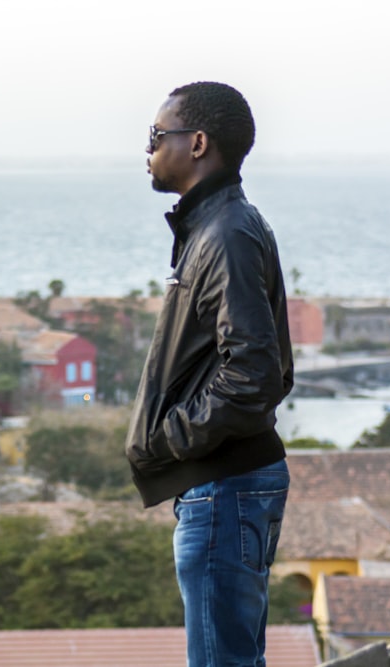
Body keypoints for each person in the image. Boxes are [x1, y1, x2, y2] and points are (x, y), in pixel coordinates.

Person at [124, 81, 294, 667]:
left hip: (225, 486)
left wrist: (170, 437)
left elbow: (254, 375)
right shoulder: (217, 228)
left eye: (155, 136)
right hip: (224, 483)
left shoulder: (225, 235)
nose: (146, 149)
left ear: (196, 143)